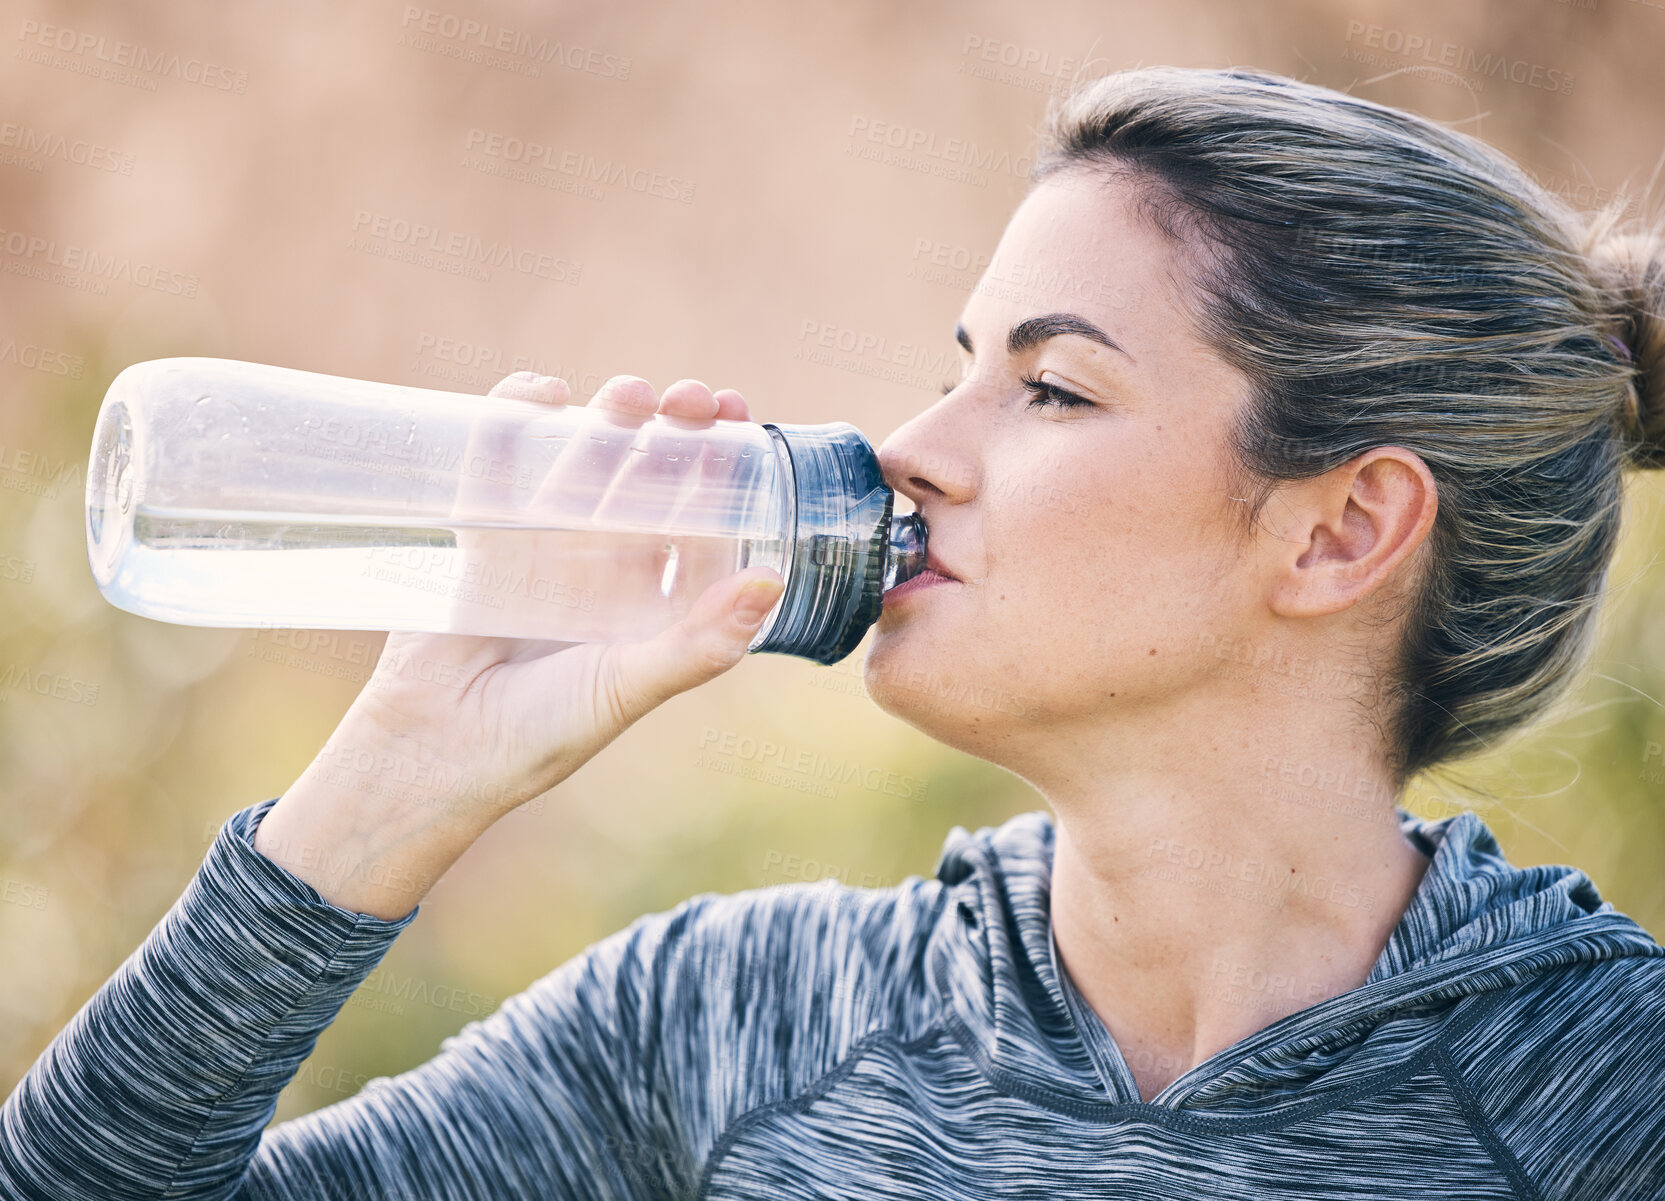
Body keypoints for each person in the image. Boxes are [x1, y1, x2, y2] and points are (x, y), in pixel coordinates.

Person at [4, 63, 1664, 1199]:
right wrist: (393, 780)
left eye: (1052, 386)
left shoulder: (1604, 1098)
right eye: (955, 364)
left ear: (1339, 528)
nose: (909, 447)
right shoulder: (731, 1023)